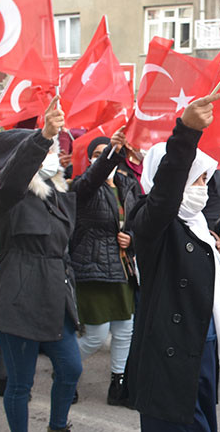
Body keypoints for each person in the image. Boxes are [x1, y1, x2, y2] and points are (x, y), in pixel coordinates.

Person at [124, 93, 220, 431]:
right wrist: (185, 133)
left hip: (201, 347)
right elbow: (164, 197)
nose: (204, 187)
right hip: (169, 356)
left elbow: (205, 284)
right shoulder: (152, 219)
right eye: (198, 178)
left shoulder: (199, 226)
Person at [0, 97, 81, 432]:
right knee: (20, 384)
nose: (51, 156)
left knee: (71, 368)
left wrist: (110, 156)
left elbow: (84, 189)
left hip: (55, 295)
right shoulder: (3, 193)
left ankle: (58, 426)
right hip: (19, 298)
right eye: (45, 152)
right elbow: (13, 179)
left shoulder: (51, 194)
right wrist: (41, 138)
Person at [68, 131, 136, 406]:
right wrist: (112, 152)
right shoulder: (82, 186)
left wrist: (132, 238)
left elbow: (138, 220)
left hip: (122, 268)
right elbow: (95, 177)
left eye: (105, 153)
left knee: (124, 329)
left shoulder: (128, 185)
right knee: (95, 337)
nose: (101, 159)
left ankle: (117, 385)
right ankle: (67, 370)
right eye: (96, 154)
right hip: (92, 268)